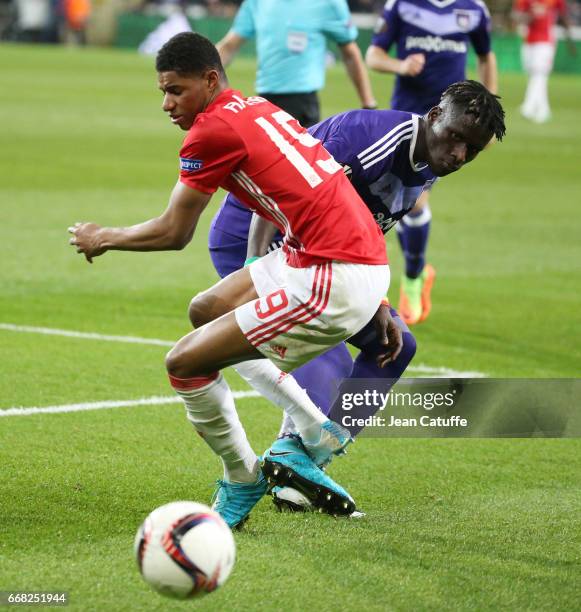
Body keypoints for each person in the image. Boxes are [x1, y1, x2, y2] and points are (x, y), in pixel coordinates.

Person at [68, 32, 395, 528]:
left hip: (333, 277)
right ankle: (313, 426)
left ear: (210, 78)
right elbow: (336, 190)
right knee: (206, 311)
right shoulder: (255, 108)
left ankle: (242, 478)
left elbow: (174, 232)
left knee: (183, 362)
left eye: (175, 90)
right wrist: (379, 288)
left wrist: (102, 236)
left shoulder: (210, 132)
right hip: (340, 257)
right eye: (162, 91)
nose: (166, 103)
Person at [209, 80, 506, 511]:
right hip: (257, 236)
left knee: (394, 345)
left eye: (472, 150)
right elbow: (282, 191)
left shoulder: (428, 167)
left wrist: (379, 301)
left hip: (321, 256)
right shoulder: (369, 140)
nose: (459, 154)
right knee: (327, 356)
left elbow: (365, 229)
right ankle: (278, 466)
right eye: (456, 137)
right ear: (435, 115)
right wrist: (255, 267)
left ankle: (300, 464)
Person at [365, 0, 498, 326]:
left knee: (413, 201)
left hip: (450, 129)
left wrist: (489, 112)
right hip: (406, 121)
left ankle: (411, 277)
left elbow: (485, 56)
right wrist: (401, 66)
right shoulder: (402, 6)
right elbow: (374, 55)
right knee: (397, 200)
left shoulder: (474, 9)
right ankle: (414, 274)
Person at [215, 0, 377, 128]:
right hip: (264, 102)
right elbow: (229, 46)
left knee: (304, 168)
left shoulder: (328, 3)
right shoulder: (257, 2)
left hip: (303, 104)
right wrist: (203, 72)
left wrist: (368, 103)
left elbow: (350, 53)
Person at [512, 0, 576, 123]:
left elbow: (563, 17)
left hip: (545, 42)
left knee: (539, 74)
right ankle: (543, 110)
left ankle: (528, 107)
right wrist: (530, 16)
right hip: (529, 41)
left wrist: (570, 39)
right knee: (533, 75)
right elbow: (516, 16)